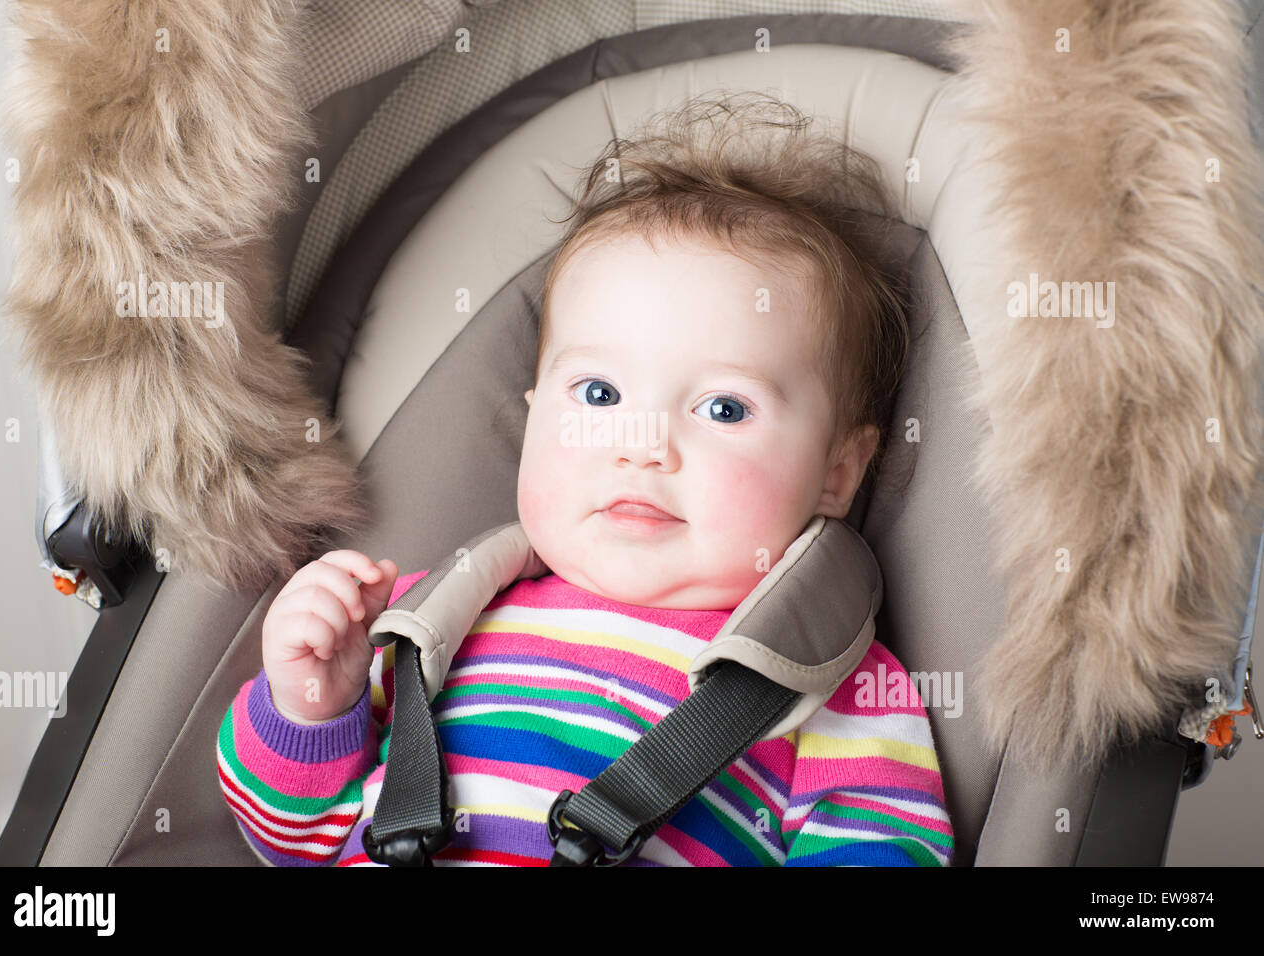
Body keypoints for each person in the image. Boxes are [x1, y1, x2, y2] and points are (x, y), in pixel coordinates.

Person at [217, 92, 953, 866]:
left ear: (837, 473)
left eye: (724, 408)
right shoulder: (427, 620)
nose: (642, 446)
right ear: (533, 419)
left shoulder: (832, 682)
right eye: (599, 395)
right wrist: (310, 705)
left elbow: (885, 848)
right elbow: (294, 838)